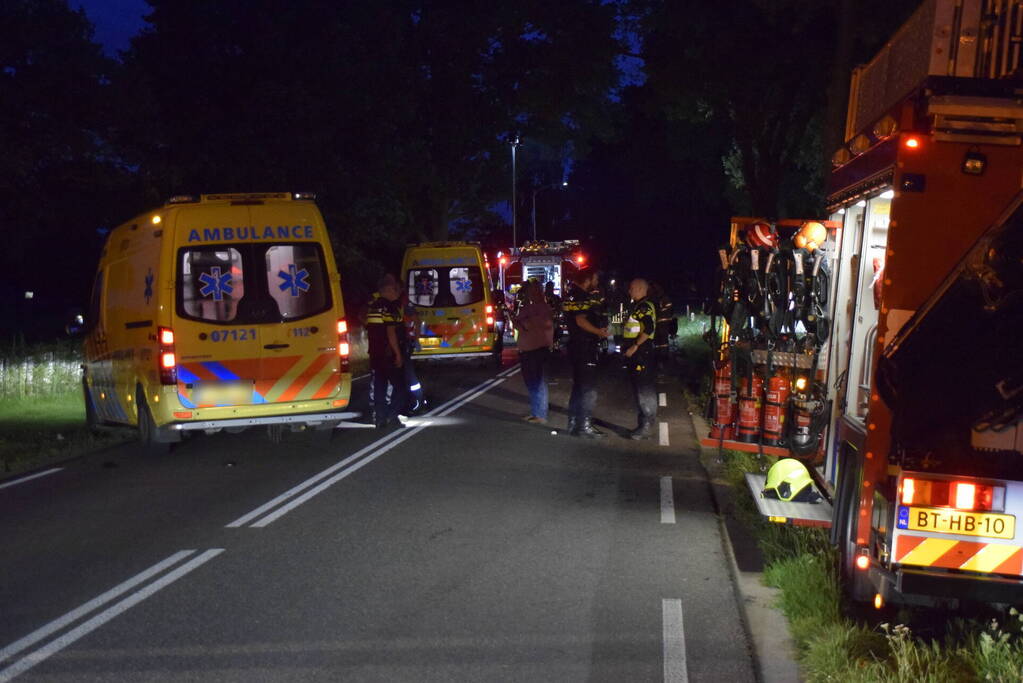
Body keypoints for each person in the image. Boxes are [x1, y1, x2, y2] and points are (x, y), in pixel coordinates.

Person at [563, 269, 610, 438]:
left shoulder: (571, 294)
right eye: (595, 278)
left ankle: (574, 423)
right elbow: (580, 320)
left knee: (578, 387)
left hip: (576, 346)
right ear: (587, 279)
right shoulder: (581, 295)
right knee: (588, 389)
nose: (597, 282)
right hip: (584, 346)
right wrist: (599, 331)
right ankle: (584, 426)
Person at [366, 274, 408, 429]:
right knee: (400, 385)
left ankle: (380, 418)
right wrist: (398, 353)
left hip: (375, 353)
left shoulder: (373, 306)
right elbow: (391, 332)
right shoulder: (390, 307)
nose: (397, 293)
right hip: (388, 353)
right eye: (395, 290)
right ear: (389, 289)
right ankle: (392, 415)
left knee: (380, 385)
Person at [512, 280, 554, 424]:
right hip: (528, 350)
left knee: (537, 382)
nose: (529, 293)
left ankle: (540, 414)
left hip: (537, 350)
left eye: (531, 290)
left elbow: (527, 324)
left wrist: (522, 322)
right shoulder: (528, 307)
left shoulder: (542, 308)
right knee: (532, 382)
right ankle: (536, 412)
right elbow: (517, 323)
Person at [623, 278, 658, 439]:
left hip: (642, 354)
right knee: (642, 389)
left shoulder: (643, 306)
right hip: (641, 354)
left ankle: (645, 427)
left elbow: (648, 328)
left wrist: (635, 345)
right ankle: (644, 425)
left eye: (631, 288)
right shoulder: (641, 305)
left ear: (639, 289)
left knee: (644, 390)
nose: (629, 291)